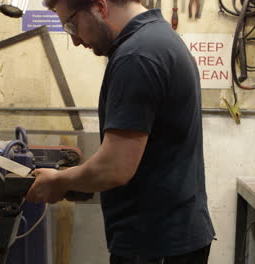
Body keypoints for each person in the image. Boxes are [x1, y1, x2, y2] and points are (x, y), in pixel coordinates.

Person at [26, 0, 215, 263]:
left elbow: (115, 167)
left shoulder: (137, 56)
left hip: (155, 244)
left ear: (100, 7)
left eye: (71, 25)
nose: (77, 40)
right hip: (169, 237)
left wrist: (59, 181)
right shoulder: (159, 38)